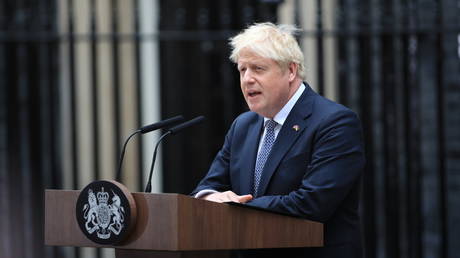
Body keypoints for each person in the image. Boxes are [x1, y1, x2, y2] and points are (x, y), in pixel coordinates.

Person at [191, 22, 365, 258]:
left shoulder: (335, 122)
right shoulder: (243, 125)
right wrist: (210, 198)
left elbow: (311, 204)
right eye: (242, 70)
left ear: (291, 71)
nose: (247, 79)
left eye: (258, 69)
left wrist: (234, 208)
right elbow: (208, 187)